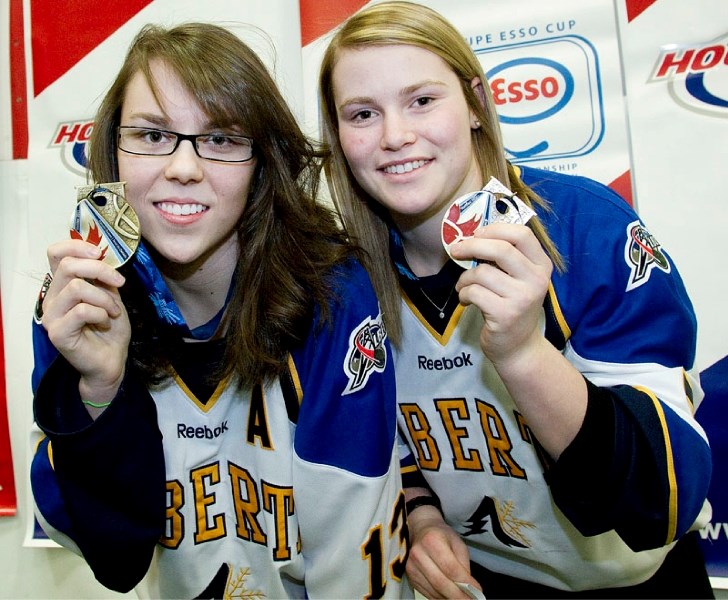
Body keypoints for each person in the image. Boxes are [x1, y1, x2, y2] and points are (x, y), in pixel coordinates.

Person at [318, 2, 713, 598]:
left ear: (475, 102)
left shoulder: (584, 227)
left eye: (422, 100)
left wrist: (526, 353)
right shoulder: (349, 280)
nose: (395, 135)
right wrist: (422, 518)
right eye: (363, 113)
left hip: (636, 582)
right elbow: (382, 439)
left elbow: (659, 500)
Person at [30, 22, 410, 599]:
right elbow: (116, 561)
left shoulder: (332, 293)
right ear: (112, 152)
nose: (183, 167)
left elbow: (355, 548)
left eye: (222, 139)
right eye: (153, 136)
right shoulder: (76, 300)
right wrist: (100, 388)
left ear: (263, 160)